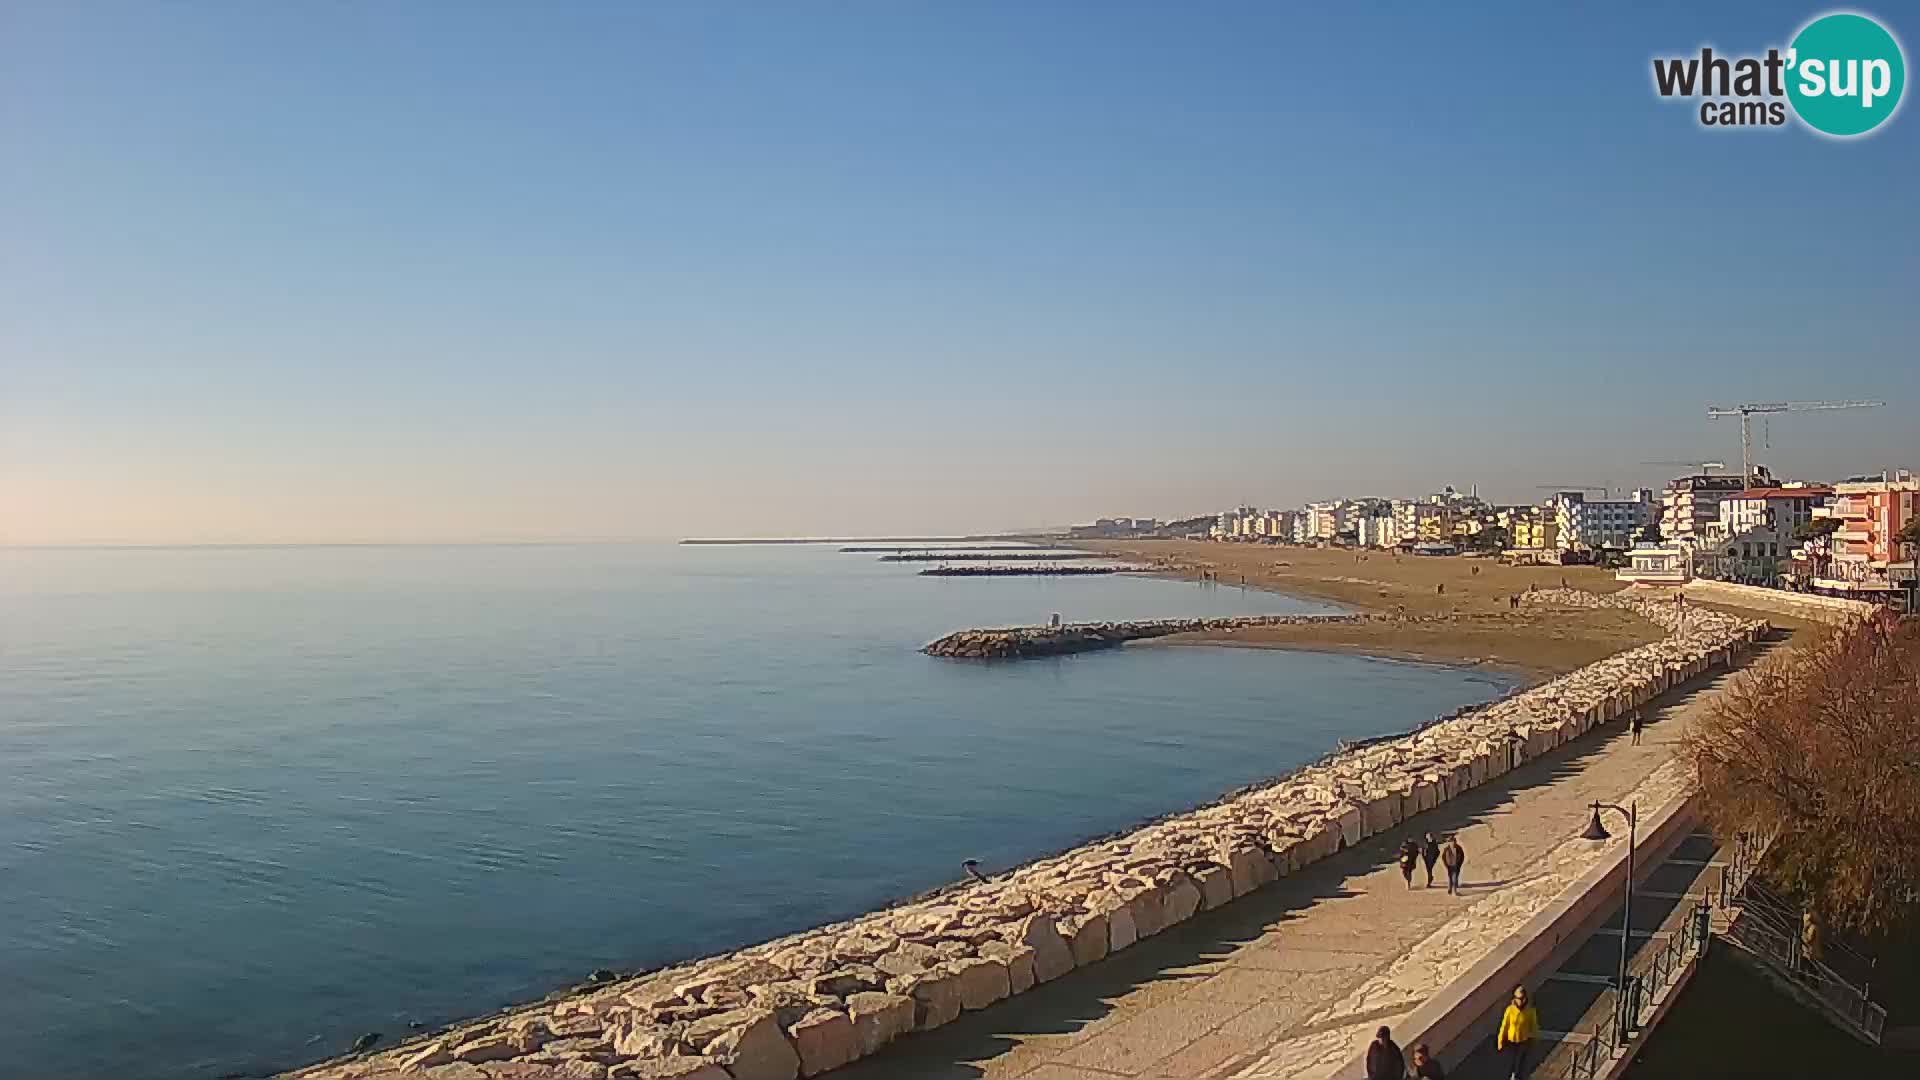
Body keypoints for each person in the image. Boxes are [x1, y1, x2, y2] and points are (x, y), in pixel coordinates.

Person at [1497, 986, 1540, 1078]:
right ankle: (1513, 1076)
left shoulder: (1530, 1011)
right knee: (1511, 1062)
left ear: (1525, 998)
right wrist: (1500, 1041)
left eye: (1521, 998)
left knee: (1521, 1061)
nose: (1519, 1001)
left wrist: (1535, 1039)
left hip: (1523, 1040)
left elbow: (1534, 1026)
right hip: (1511, 1041)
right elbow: (1504, 1026)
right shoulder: (1510, 1010)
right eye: (1517, 998)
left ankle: (1517, 1076)